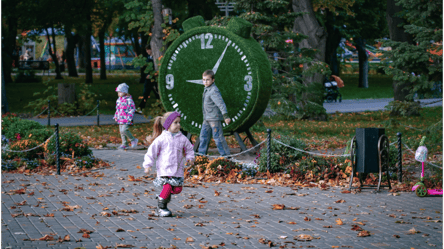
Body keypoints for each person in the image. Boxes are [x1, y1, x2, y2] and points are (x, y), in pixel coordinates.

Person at [143, 111, 195, 217]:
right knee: (167, 187)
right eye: (175, 123)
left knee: (177, 189)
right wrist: (148, 165)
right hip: (164, 169)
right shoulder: (162, 139)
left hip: (177, 170)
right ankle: (161, 207)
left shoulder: (182, 138)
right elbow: (151, 152)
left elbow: (189, 149)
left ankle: (164, 197)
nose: (179, 125)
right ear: (167, 124)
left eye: (179, 122)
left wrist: (190, 158)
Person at [198, 70, 231, 156]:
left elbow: (220, 103)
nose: (205, 82)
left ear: (213, 80)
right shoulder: (207, 89)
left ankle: (226, 156)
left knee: (218, 138)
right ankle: (201, 156)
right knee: (203, 137)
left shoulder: (213, 91)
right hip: (207, 118)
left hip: (214, 119)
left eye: (207, 80)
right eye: (203, 80)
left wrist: (226, 116)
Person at [114, 83, 138, 150]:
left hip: (126, 118)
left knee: (124, 130)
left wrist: (130, 117)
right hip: (120, 118)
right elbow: (117, 109)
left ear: (124, 92)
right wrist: (116, 116)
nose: (118, 93)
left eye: (120, 92)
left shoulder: (129, 100)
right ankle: (124, 144)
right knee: (121, 132)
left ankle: (133, 139)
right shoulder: (118, 100)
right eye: (118, 92)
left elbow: (132, 109)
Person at [139, 45, 160, 109]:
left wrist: (152, 75)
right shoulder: (148, 58)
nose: (147, 51)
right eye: (146, 50)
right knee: (145, 93)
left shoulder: (155, 58)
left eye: (148, 50)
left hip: (153, 79)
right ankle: (141, 107)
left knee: (157, 93)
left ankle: (159, 106)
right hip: (148, 79)